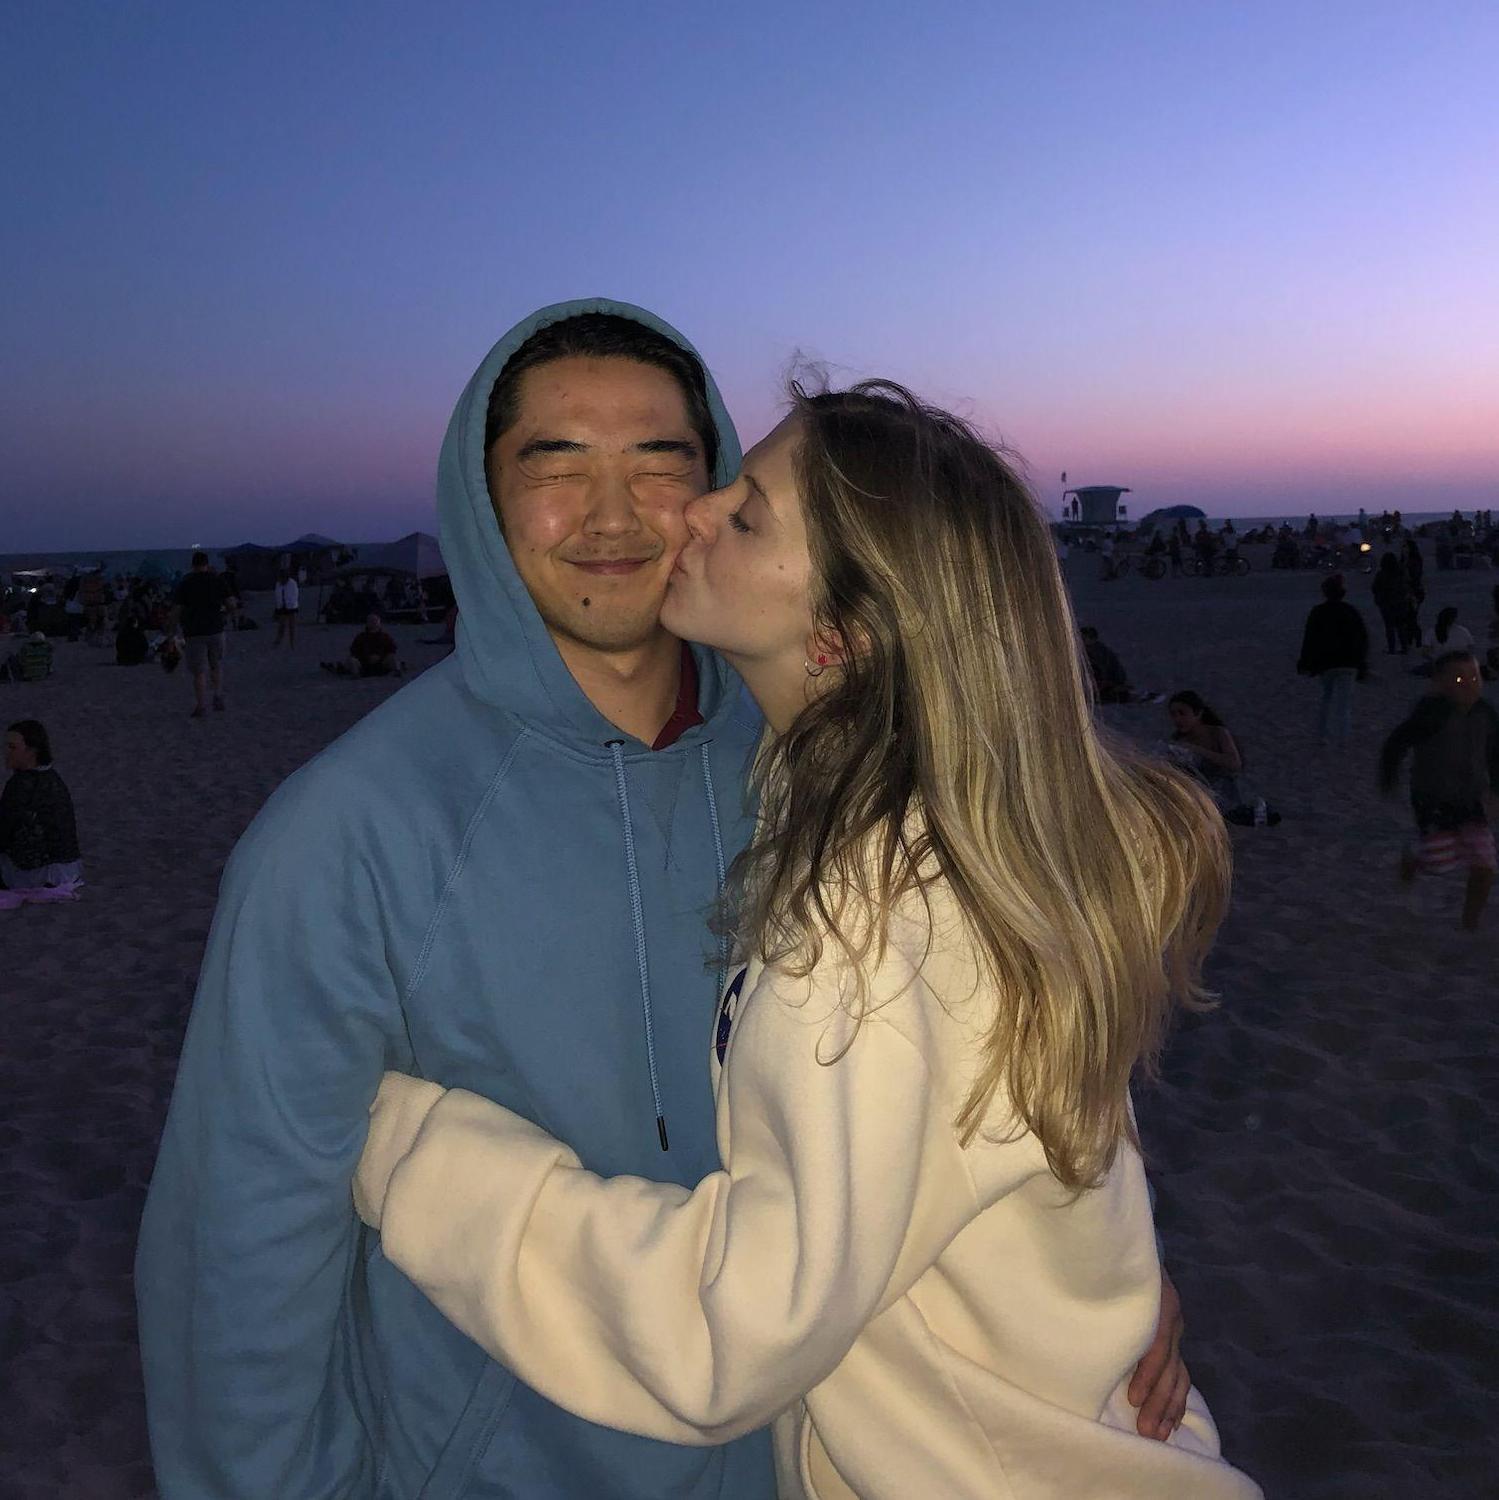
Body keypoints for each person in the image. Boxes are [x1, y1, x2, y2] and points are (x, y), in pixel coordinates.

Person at [137, 306, 1189, 1500]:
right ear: (480, 504)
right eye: (556, 464)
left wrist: (1093, 1253)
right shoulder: (348, 832)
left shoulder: (823, 784)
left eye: (662, 465)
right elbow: (240, 1253)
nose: (614, 514)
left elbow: (999, 984)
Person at [1379, 651, 1499, 931]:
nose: (1469, 683)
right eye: (1459, 678)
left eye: (1474, 676)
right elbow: (1397, 743)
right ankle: (1413, 856)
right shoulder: (1431, 713)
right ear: (1440, 684)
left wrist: (1496, 790)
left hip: (1472, 799)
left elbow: (1496, 754)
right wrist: (1389, 777)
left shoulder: (1486, 713)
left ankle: (1469, 923)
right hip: (1433, 798)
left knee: (1485, 864)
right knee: (1439, 862)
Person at [0, 719, 83, 895]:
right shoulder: (53, 778)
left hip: (37, 874)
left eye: (13, 747)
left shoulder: (20, 784)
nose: (6, 753)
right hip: (69, 870)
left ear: (32, 751)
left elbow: (4, 831)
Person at [1295, 574, 1368, 743]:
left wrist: (1305, 662)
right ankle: (1342, 736)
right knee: (1344, 703)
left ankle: (1322, 734)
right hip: (1348, 663)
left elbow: (1310, 639)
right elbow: (1361, 638)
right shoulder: (1350, 611)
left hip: (1326, 663)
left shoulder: (1318, 612)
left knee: (1326, 698)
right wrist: (1361, 663)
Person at [171, 549, 230, 717]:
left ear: (192, 565)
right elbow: (230, 602)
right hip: (216, 629)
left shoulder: (186, 583)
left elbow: (177, 609)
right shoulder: (217, 580)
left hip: (194, 631)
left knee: (199, 671)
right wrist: (227, 613)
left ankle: (201, 705)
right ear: (207, 564)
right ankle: (217, 695)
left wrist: (171, 628)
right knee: (216, 665)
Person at [1165, 691, 1244, 811]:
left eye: (1182, 713)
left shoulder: (1217, 733)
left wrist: (1197, 750)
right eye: (1173, 715)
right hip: (1196, 796)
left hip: (1223, 794)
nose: (1177, 719)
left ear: (1198, 713)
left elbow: (1234, 763)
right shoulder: (1178, 741)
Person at [1081, 626, 1164, 705]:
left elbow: (1106, 669)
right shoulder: (1092, 651)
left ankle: (1142, 696)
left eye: (1085, 638)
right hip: (1103, 684)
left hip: (1108, 684)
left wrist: (1109, 683)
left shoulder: (1100, 652)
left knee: (1115, 695)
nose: (1082, 640)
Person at [321, 612, 404, 677]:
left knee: (393, 658)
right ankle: (355, 673)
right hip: (364, 664)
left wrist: (380, 656)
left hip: (381, 663)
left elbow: (392, 649)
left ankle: (397, 670)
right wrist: (366, 657)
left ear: (379, 623)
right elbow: (354, 651)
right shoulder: (361, 637)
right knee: (351, 660)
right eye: (371, 621)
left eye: (375, 621)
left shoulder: (385, 637)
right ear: (367, 623)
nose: (373, 623)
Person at [1371, 552, 1412, 654]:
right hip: (1401, 603)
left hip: (1386, 604)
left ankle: (1391, 648)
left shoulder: (1381, 574)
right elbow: (1407, 585)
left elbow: (1375, 588)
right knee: (1401, 626)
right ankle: (1404, 647)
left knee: (1389, 627)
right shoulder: (1401, 572)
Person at [272, 567, 301, 647]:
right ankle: (279, 640)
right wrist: (278, 606)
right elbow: (277, 595)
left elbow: (294, 596)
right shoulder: (278, 584)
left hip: (291, 607)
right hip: (282, 606)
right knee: (281, 624)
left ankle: (292, 642)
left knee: (291, 625)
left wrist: (289, 605)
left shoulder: (292, 584)